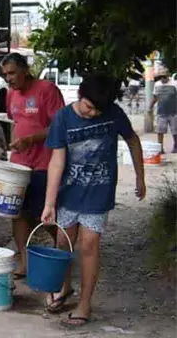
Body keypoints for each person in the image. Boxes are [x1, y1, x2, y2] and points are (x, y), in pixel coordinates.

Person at [41, 73, 146, 327]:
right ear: (80, 96)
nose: (93, 113)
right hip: (68, 194)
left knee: (89, 245)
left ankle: (85, 303)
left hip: (98, 194)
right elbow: (57, 161)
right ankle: (63, 288)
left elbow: (133, 140)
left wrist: (140, 177)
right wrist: (49, 202)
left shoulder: (113, 114)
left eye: (99, 110)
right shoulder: (63, 118)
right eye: (89, 107)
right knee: (63, 244)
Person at [0, 53, 65, 279]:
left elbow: (59, 127)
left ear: (25, 70)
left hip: (45, 164)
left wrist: (31, 140)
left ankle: (63, 256)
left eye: (11, 73)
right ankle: (25, 264)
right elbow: (17, 122)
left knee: (44, 217)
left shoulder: (47, 89)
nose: (8, 79)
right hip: (19, 164)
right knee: (17, 214)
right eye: (5, 75)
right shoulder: (11, 94)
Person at [150, 72, 177, 153]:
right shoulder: (157, 84)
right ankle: (160, 148)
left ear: (168, 76)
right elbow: (155, 97)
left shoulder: (174, 83)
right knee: (160, 131)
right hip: (161, 112)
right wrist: (150, 107)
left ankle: (176, 147)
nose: (162, 79)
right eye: (161, 77)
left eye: (164, 77)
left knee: (175, 131)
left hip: (174, 112)